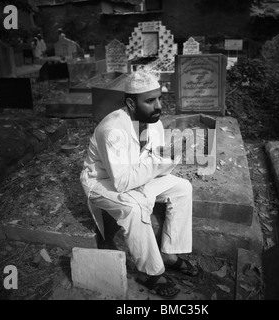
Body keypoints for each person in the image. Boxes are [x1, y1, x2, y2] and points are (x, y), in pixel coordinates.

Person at [80, 70, 198, 299]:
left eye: (159, 98)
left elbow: (156, 163)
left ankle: (170, 254)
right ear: (131, 103)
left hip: (137, 176)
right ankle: (150, 272)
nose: (158, 106)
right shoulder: (112, 130)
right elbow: (122, 181)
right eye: (150, 100)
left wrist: (170, 157)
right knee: (135, 208)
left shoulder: (154, 123)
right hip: (104, 183)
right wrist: (162, 160)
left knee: (183, 189)